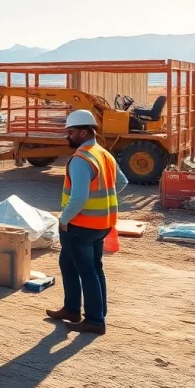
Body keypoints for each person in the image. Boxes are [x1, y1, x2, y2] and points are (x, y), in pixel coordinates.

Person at [46, 109, 126, 336]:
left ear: (83, 132)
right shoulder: (103, 154)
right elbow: (121, 182)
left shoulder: (81, 159)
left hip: (80, 226)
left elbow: (78, 197)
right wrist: (101, 200)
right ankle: (73, 309)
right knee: (72, 264)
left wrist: (64, 219)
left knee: (87, 270)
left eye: (70, 132)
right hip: (102, 224)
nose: (67, 136)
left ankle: (94, 320)